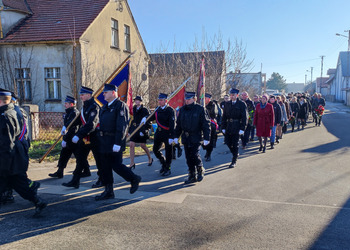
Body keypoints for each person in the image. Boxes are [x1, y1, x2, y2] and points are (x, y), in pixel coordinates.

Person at [0, 89, 47, 216]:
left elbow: (6, 144)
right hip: (14, 157)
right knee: (19, 184)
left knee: (17, 183)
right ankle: (37, 200)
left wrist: (4, 165)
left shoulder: (5, 116)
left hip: (10, 158)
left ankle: (37, 199)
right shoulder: (11, 111)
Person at [95, 84, 141, 200]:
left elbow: (122, 126)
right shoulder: (105, 107)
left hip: (114, 141)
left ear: (113, 93)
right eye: (104, 92)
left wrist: (118, 142)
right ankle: (108, 191)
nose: (103, 94)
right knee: (105, 167)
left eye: (106, 92)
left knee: (116, 165)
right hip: (104, 141)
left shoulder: (120, 106)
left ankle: (134, 178)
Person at [62, 86, 102, 189]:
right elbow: (79, 120)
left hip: (95, 137)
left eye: (82, 95)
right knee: (80, 158)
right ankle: (75, 181)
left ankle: (102, 179)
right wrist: (66, 126)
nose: (80, 96)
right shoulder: (85, 106)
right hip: (85, 137)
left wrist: (78, 135)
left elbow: (91, 124)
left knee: (99, 160)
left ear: (89, 95)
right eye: (80, 94)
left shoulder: (94, 107)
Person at [49, 95, 90, 178]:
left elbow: (73, 128)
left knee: (79, 156)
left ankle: (86, 170)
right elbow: (66, 128)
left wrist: (66, 139)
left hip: (73, 139)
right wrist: (64, 138)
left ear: (71, 104)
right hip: (68, 139)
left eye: (66, 103)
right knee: (64, 155)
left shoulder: (74, 113)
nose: (65, 105)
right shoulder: (68, 113)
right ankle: (60, 171)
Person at [174, 92, 210, 184]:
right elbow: (179, 125)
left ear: (194, 99)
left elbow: (206, 124)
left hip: (196, 135)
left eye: (189, 99)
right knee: (188, 157)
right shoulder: (182, 110)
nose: (186, 100)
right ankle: (192, 175)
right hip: (186, 137)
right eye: (186, 99)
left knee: (195, 154)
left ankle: (200, 169)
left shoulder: (200, 109)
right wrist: (175, 136)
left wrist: (207, 137)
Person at [149, 93, 176, 176]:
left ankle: (168, 168)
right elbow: (151, 118)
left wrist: (172, 136)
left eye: (161, 100)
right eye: (159, 100)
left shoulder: (170, 110)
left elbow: (172, 124)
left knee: (168, 152)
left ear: (166, 101)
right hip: (159, 132)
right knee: (155, 150)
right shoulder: (157, 110)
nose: (159, 102)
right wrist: (145, 119)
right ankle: (163, 163)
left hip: (167, 133)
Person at [221, 88, 248, 168]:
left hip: (237, 125)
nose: (232, 96)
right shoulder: (227, 104)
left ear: (237, 95)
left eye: (233, 95)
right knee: (228, 142)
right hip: (229, 125)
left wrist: (243, 128)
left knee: (235, 143)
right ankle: (235, 154)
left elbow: (244, 117)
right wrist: (223, 127)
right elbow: (224, 116)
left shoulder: (241, 104)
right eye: (231, 95)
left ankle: (234, 160)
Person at [128, 96, 153, 169]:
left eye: (138, 100)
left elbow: (149, 119)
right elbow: (133, 120)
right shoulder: (134, 108)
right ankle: (132, 163)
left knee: (143, 145)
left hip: (142, 129)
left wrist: (144, 130)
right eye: (135, 100)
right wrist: (130, 131)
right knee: (131, 144)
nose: (136, 102)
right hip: (135, 129)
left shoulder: (145, 109)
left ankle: (150, 158)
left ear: (141, 101)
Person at [203, 93, 218, 162]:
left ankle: (209, 154)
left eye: (205, 98)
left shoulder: (213, 105)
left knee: (210, 140)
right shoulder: (201, 104)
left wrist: (205, 109)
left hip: (211, 123)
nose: (204, 99)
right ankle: (207, 151)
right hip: (202, 124)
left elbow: (213, 114)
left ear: (209, 99)